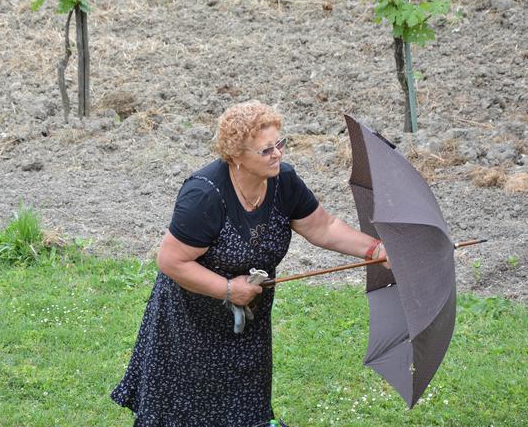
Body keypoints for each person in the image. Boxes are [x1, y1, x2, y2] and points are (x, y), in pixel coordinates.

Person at [111, 100, 389, 426]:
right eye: (266, 150)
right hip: (190, 323)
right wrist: (227, 289)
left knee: (245, 408)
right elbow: (171, 261)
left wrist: (375, 249)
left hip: (246, 324)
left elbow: (323, 227)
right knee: (186, 411)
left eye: (279, 144)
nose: (277, 154)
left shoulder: (283, 182)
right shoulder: (204, 196)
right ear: (236, 155)